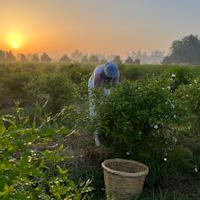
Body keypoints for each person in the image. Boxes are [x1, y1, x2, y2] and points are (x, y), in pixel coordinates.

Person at [88, 62, 120, 146]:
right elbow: (97, 92)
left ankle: (106, 135)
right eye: (108, 77)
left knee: (108, 104)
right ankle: (96, 137)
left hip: (106, 85)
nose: (109, 79)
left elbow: (115, 88)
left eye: (110, 78)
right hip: (93, 84)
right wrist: (101, 106)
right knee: (94, 107)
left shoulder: (116, 73)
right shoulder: (98, 74)